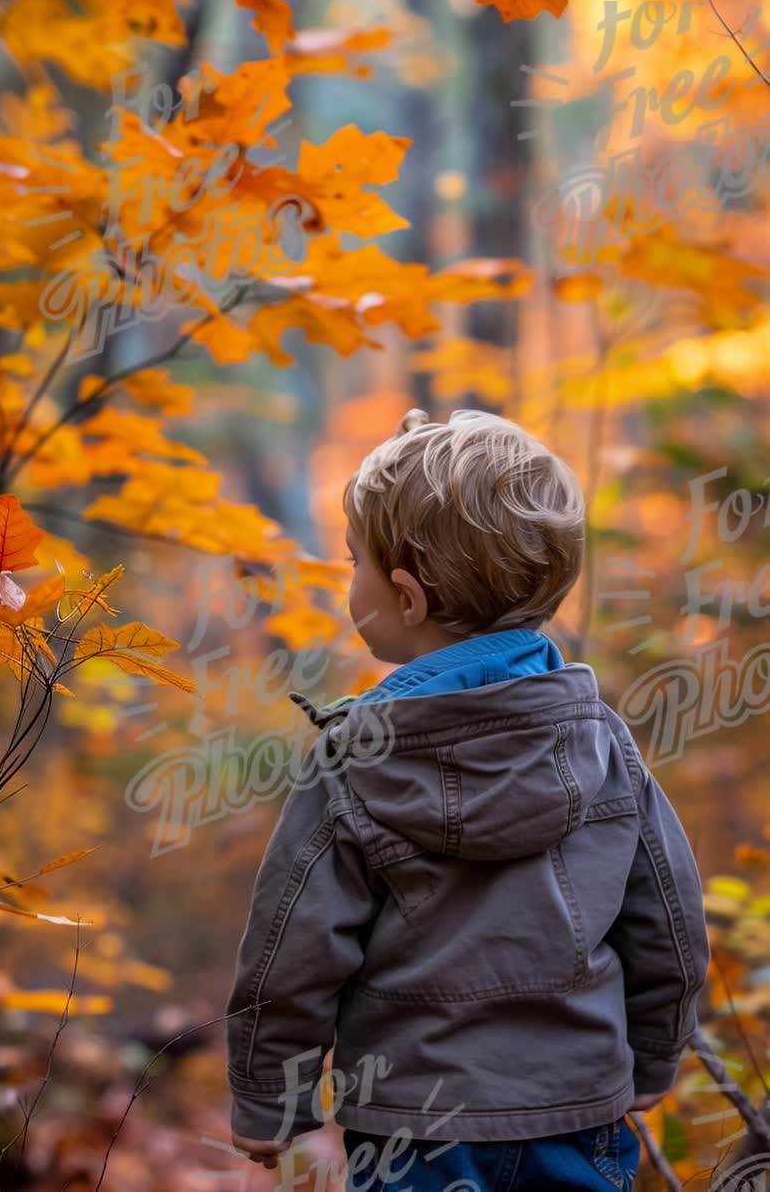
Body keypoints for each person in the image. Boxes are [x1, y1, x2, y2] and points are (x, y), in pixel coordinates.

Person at [224, 408, 711, 1191]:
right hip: (578, 1108)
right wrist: (655, 1053)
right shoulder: (603, 741)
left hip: (413, 1127)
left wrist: (268, 1102)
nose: (349, 579)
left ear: (408, 599)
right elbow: (669, 920)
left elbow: (292, 947)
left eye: (355, 562)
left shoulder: (353, 760)